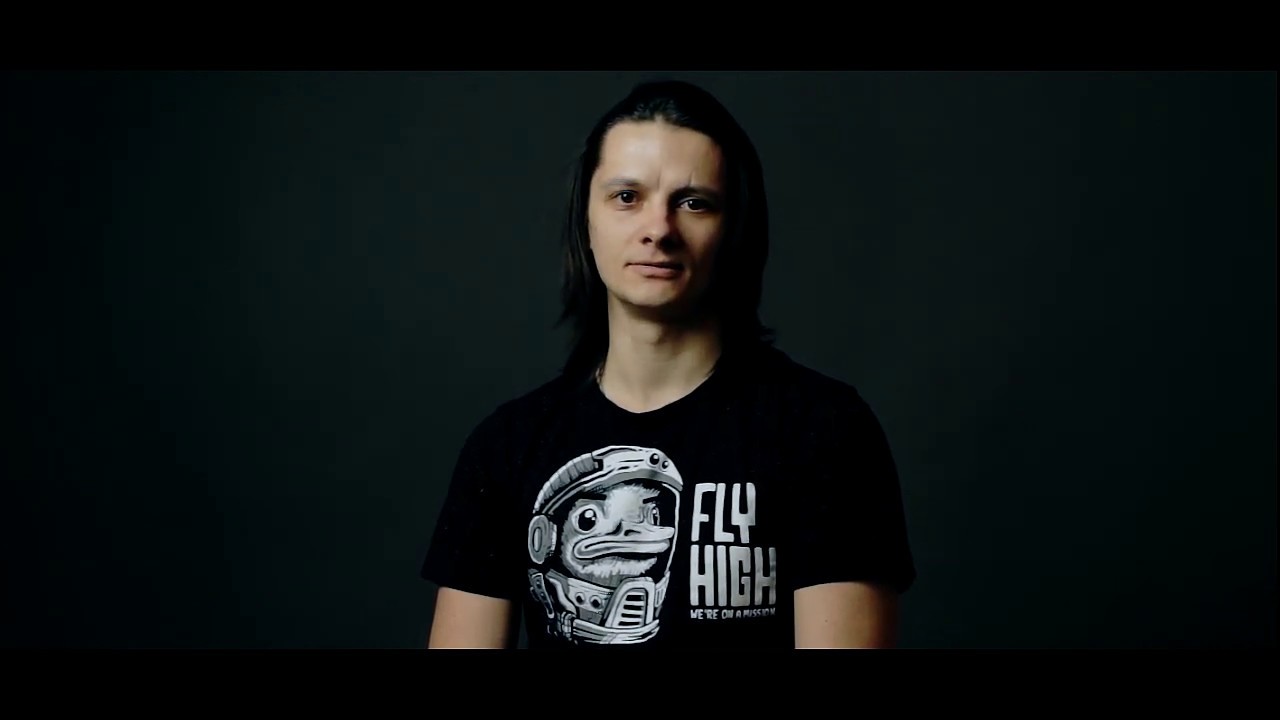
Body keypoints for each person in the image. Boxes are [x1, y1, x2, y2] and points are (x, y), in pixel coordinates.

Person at [419, 78, 916, 649]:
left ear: (733, 229)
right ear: (586, 219)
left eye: (693, 202)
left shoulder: (823, 430)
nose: (658, 229)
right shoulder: (506, 447)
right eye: (626, 197)